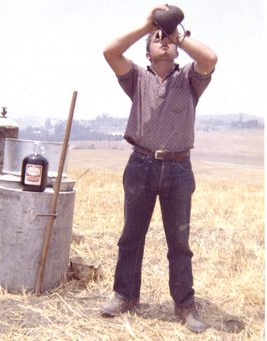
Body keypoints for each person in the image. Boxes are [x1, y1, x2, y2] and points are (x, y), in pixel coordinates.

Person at [101, 4, 217, 334]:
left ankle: (185, 305)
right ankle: (125, 295)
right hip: (140, 164)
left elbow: (209, 59)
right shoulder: (136, 77)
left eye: (167, 39)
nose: (162, 40)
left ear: (177, 46)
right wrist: (149, 24)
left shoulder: (190, 78)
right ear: (148, 53)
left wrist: (175, 33)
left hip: (179, 169)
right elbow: (110, 52)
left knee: (179, 242)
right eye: (156, 39)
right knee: (131, 236)